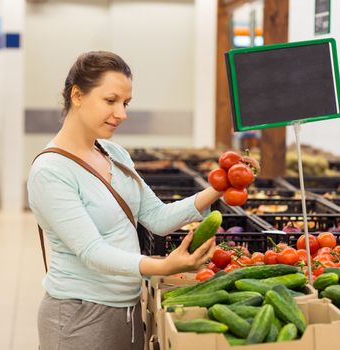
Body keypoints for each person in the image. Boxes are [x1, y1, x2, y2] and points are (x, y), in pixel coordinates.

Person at [28, 51, 258, 350]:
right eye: (110, 101)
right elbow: (91, 251)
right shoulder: (51, 171)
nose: (122, 113)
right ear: (77, 95)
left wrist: (218, 187)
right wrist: (164, 267)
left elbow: (156, 217)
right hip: (79, 316)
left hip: (127, 309)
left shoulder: (115, 154)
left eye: (125, 103)